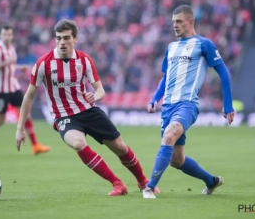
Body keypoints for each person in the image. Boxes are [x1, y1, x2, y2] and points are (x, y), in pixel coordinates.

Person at [15, 19, 160, 196]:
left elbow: (100, 91)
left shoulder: (84, 60)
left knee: (120, 147)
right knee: (78, 143)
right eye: (59, 38)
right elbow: (29, 95)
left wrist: (95, 96)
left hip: (88, 110)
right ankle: (117, 184)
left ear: (75, 39)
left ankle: (142, 180)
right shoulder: (43, 63)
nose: (62, 42)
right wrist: (20, 128)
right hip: (64, 116)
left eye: (66, 38)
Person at [142, 5, 235, 199]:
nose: (175, 25)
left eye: (179, 21)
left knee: (168, 136)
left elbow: (224, 73)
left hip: (187, 104)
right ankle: (211, 181)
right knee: (177, 160)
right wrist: (154, 99)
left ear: (190, 22)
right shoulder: (171, 47)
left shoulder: (204, 44)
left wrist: (228, 106)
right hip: (168, 107)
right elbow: (166, 77)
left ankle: (149, 187)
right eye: (173, 22)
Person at [0, 26, 50, 156]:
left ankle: (35, 145)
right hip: (1, 90)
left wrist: (18, 67)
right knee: (0, 120)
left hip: (14, 87)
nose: (7, 37)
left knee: (26, 114)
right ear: (0, 35)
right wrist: (6, 63)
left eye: (9, 34)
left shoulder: (11, 48)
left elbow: (10, 65)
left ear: (12, 36)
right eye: (4, 34)